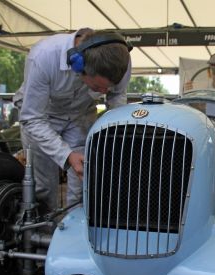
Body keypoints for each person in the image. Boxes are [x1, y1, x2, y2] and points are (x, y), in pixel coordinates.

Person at [18, 29, 132, 211]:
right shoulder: (43, 57)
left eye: (107, 88)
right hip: (42, 117)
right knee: (43, 189)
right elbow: (32, 118)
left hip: (80, 116)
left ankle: (77, 233)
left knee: (83, 185)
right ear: (78, 65)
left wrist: (115, 139)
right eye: (97, 87)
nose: (103, 92)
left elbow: (117, 99)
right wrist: (66, 154)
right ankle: (44, 233)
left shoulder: (120, 60)